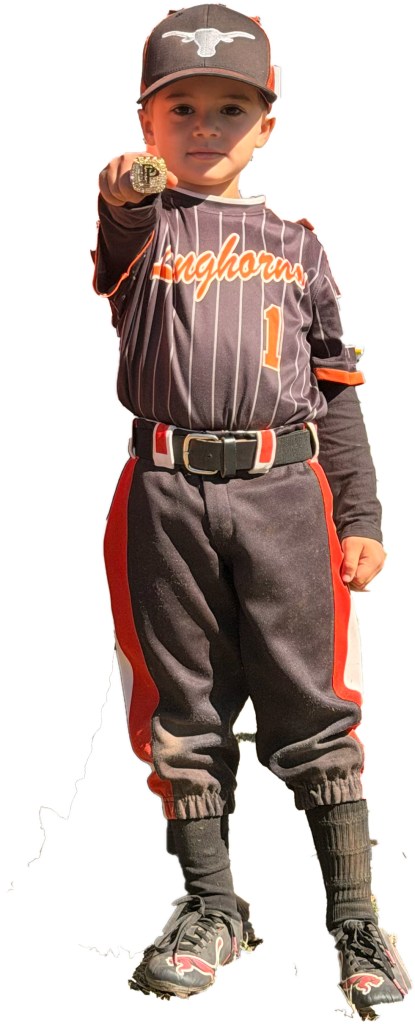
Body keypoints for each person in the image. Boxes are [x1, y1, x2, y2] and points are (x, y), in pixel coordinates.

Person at [93, 4, 411, 1014]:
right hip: (166, 494)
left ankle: (354, 917)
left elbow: (334, 387)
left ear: (265, 124)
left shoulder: (297, 246)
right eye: (180, 106)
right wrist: (124, 187)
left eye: (230, 107)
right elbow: (119, 205)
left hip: (283, 493)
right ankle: (212, 904)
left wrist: (360, 514)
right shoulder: (142, 229)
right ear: (147, 122)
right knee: (181, 706)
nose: (204, 126)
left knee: (311, 705)